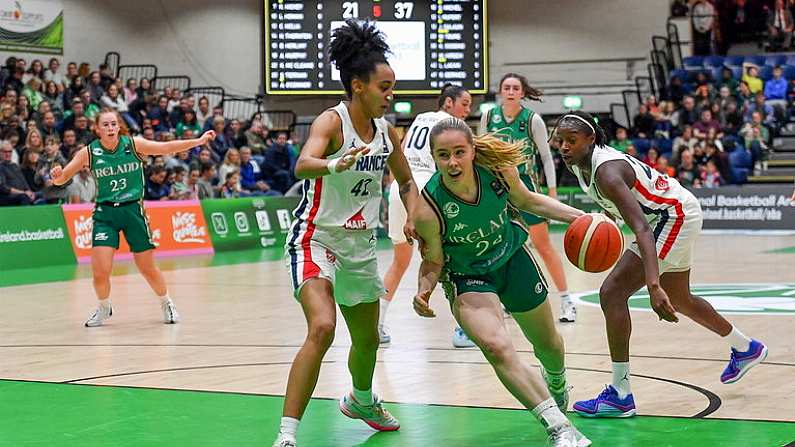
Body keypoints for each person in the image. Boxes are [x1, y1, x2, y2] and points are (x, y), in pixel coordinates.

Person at [552, 111, 767, 418]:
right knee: (680, 298)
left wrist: (653, 285)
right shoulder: (581, 164)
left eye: (571, 141)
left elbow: (641, 228)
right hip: (676, 212)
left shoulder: (607, 172)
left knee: (612, 293)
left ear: (591, 139)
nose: (564, 147)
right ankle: (746, 348)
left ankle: (621, 394)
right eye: (561, 141)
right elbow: (625, 210)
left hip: (671, 218)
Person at [273, 19, 419, 447]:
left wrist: (410, 215)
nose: (391, 96)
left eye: (392, 87)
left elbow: (407, 182)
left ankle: (360, 399)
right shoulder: (331, 122)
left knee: (368, 339)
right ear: (358, 86)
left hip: (359, 247)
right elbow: (303, 164)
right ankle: (286, 435)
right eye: (384, 87)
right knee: (322, 327)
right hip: (315, 237)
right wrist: (335, 163)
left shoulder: (387, 134)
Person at [412, 118, 589, 447]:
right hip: (469, 277)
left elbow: (529, 201)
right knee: (496, 347)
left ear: (472, 150)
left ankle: (557, 383)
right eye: (443, 155)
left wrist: (583, 219)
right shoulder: (427, 208)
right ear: (434, 157)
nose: (452, 162)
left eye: (459, 152)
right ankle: (559, 427)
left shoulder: (496, 173)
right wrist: (424, 289)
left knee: (548, 345)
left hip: (512, 259)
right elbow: (433, 259)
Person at [50, 108, 216, 327]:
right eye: (105, 125)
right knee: (100, 272)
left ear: (118, 126)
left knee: (147, 267)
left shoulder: (133, 144)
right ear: (97, 129)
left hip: (133, 211)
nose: (110, 128)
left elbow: (166, 147)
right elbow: (62, 180)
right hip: (105, 213)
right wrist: (57, 176)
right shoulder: (88, 153)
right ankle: (104, 307)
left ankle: (166, 302)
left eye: (113, 124)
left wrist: (199, 140)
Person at [379, 83, 474, 347]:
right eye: (465, 103)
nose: (468, 110)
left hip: (401, 190)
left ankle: (377, 323)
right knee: (456, 259)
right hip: (427, 193)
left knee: (399, 261)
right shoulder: (453, 125)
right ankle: (465, 329)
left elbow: (400, 151)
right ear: (448, 104)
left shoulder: (420, 119)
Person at [479, 73, 575, 322]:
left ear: (522, 93)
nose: (510, 91)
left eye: (515, 88)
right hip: (497, 192)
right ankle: (507, 302)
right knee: (502, 248)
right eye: (506, 87)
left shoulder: (532, 120)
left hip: (527, 190)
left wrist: (552, 192)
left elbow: (546, 157)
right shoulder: (489, 117)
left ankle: (566, 301)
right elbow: (478, 153)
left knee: (543, 246)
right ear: (501, 91)